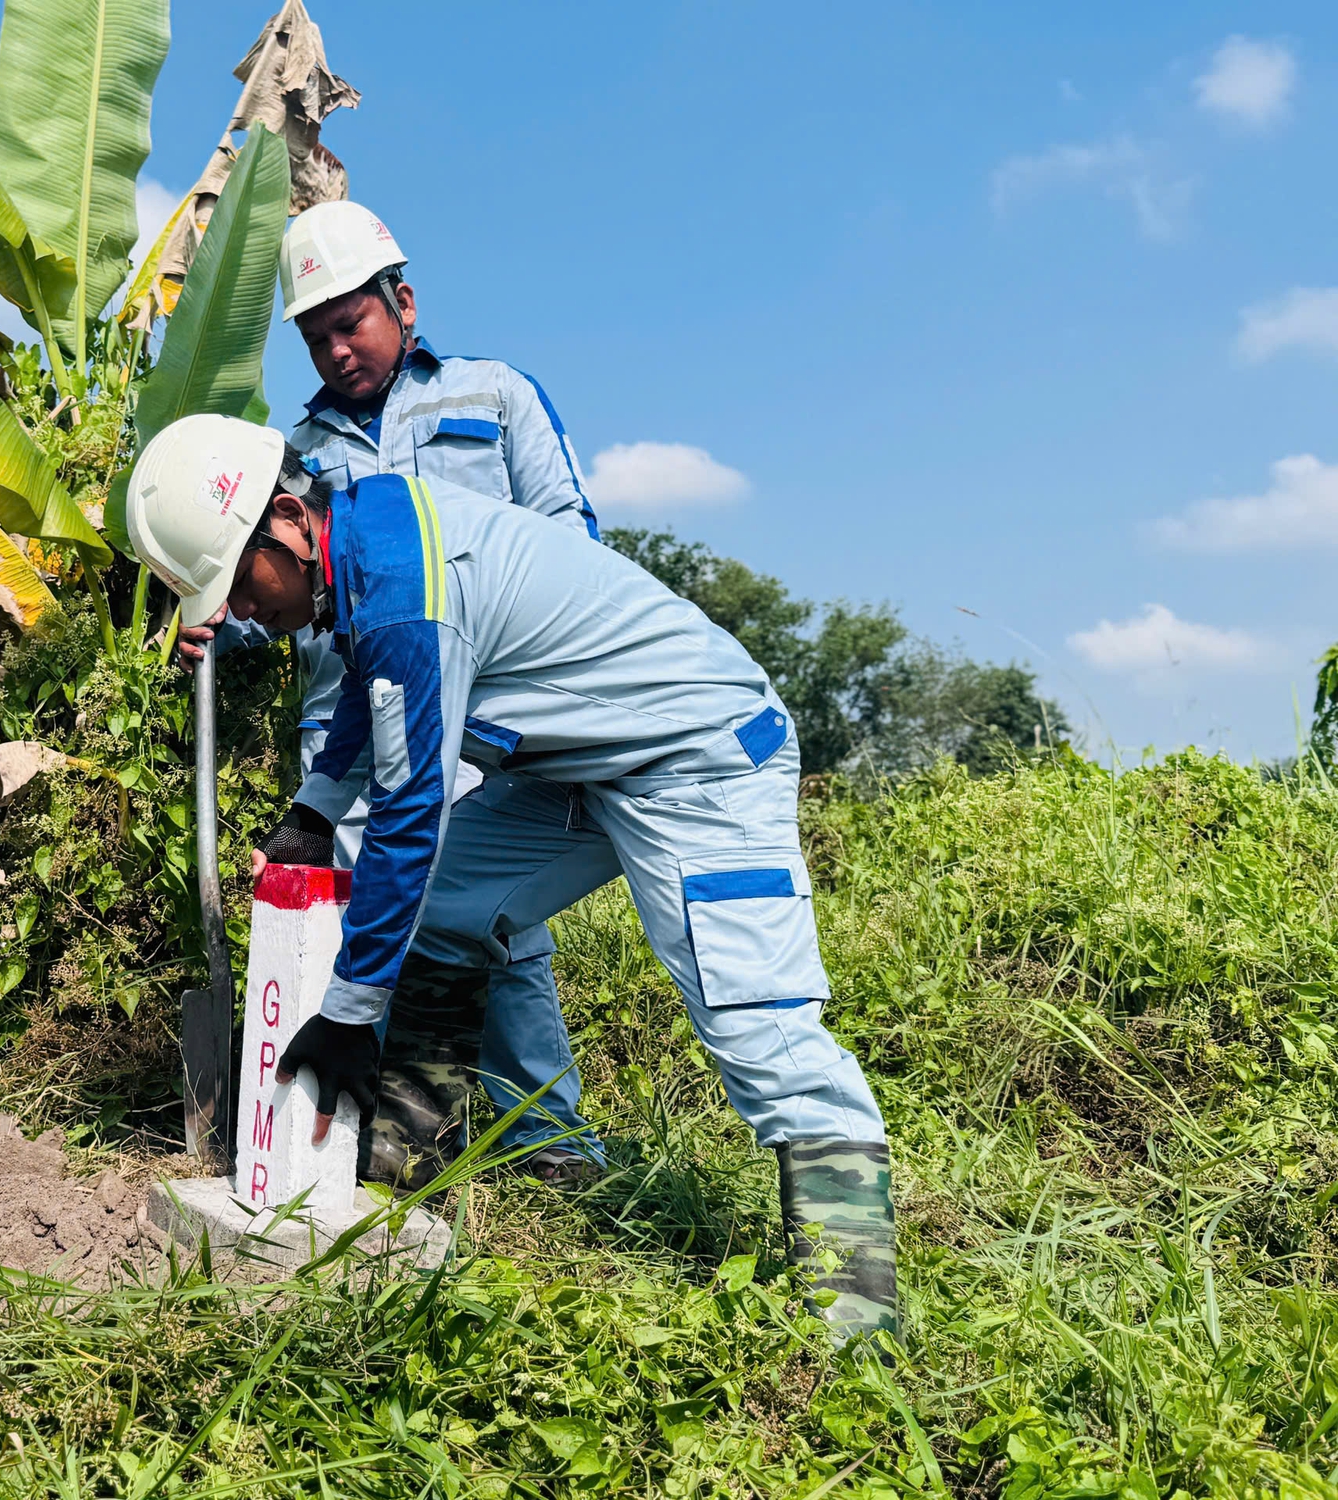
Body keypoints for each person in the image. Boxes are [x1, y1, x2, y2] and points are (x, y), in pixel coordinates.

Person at [131, 414, 898, 1343]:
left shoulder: (407, 588)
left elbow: (410, 811)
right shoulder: (365, 542)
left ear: (290, 521)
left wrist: (348, 1012)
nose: (244, 611)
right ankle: (399, 1168)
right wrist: (313, 810)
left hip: (698, 762)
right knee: (446, 908)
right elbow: (373, 698)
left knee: (755, 1024)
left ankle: (857, 1324)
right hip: (581, 770)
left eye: (239, 584)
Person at [178, 200, 603, 1187]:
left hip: (476, 727)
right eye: (313, 335)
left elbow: (569, 544)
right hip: (345, 740)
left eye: (350, 321)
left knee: (495, 935)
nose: (335, 348)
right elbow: (266, 592)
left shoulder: (494, 398)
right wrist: (216, 616)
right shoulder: (291, 458)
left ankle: (548, 1148)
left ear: (399, 302)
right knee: (356, 938)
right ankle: (362, 1154)